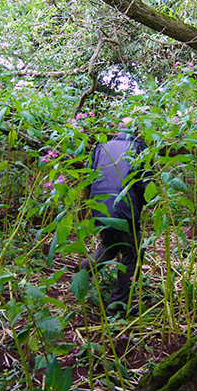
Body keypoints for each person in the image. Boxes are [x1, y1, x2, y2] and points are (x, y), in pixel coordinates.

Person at [82, 118, 149, 317]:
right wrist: (148, 203)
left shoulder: (100, 147)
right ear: (136, 131)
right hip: (125, 209)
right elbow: (146, 182)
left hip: (101, 206)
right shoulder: (139, 148)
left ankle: (80, 274)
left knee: (109, 247)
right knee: (132, 255)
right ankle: (117, 306)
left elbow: (89, 178)